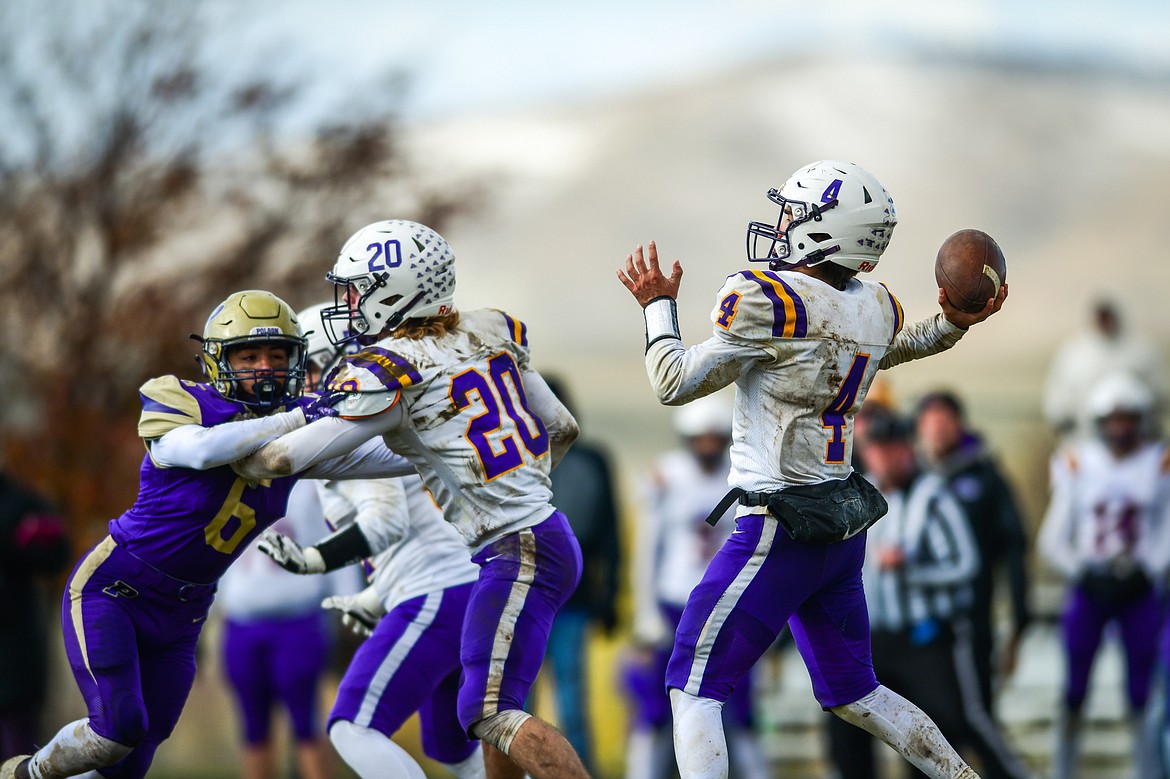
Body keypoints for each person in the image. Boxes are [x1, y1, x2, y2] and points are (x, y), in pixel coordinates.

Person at [616, 159, 1008, 779]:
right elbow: (893, 350)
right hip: (840, 529)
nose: (783, 224)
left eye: (795, 214)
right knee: (857, 694)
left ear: (825, 231)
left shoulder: (767, 300)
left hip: (776, 524)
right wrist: (953, 324)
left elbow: (672, 381)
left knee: (692, 683)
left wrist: (658, 308)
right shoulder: (873, 307)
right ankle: (959, 775)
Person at [0, 290, 411, 779]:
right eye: (250, 355)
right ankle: (25, 773)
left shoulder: (294, 433)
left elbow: (376, 458)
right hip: (116, 588)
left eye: (277, 356)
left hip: (184, 612)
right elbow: (199, 450)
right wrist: (301, 416)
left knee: (133, 758)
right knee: (117, 728)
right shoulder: (181, 397)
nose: (265, 367)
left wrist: (443, 442)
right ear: (219, 360)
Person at [233, 219, 590, 779]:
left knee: (486, 712)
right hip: (532, 538)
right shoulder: (486, 333)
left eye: (356, 289)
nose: (348, 303)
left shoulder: (396, 370)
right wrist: (522, 489)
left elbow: (280, 460)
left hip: (511, 550)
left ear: (393, 289)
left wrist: (218, 452)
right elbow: (562, 427)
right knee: (477, 722)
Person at [257, 302, 486, 779]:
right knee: (452, 746)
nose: (297, 380)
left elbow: (387, 522)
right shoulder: (388, 413)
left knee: (352, 725)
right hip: (460, 588)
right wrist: (375, 594)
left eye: (306, 365)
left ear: (330, 364)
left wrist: (313, 560)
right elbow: (418, 527)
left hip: (438, 594)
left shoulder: (354, 427)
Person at [826, 410, 1033, 779]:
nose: (886, 457)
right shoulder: (856, 492)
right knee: (847, 728)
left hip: (925, 637)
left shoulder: (934, 495)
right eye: (878, 448)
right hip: (871, 639)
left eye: (895, 448)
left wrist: (911, 568)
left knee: (952, 725)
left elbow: (966, 564)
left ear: (909, 449)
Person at [624, 393, 768, 779]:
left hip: (727, 607)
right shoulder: (666, 475)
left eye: (714, 438)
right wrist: (646, 611)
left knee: (740, 706)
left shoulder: (741, 472)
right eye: (700, 439)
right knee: (655, 708)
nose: (707, 447)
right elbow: (647, 549)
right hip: (674, 606)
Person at [1038, 371, 1170, 779]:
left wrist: (1148, 570)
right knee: (1074, 688)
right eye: (1114, 419)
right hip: (1090, 587)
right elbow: (1052, 538)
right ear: (1098, 422)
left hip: (1140, 588)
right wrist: (1083, 571)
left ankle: (1147, 771)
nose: (1121, 428)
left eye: (1128, 418)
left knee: (1141, 692)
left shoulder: (1159, 462)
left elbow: (1167, 529)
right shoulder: (1076, 461)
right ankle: (1063, 770)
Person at [217, 479, 347, 779]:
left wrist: (344, 603)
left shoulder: (310, 482)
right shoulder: (227, 479)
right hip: (241, 620)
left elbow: (334, 539)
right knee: (253, 727)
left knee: (307, 724)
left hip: (298, 617)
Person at [915, 390, 1032, 713]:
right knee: (924, 713)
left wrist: (1019, 611)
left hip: (973, 611)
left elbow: (1014, 544)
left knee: (975, 707)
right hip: (918, 616)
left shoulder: (986, 478)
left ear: (960, 425)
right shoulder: (909, 478)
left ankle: (980, 763)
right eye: (930, 422)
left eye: (944, 421)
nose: (937, 430)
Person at [533, 375, 621, 774]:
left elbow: (608, 532)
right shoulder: (517, 464)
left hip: (567, 598)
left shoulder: (589, 461)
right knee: (522, 706)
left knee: (568, 702)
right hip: (529, 599)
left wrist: (612, 592)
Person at [0, 469, 70, 756]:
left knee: (17, 747)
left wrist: (18, 545)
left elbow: (58, 552)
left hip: (14, 645)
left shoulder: (20, 503)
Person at [1043, 299, 1166, 443]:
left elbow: (1160, 393)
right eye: (1101, 317)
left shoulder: (1141, 351)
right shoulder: (1073, 353)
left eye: (1108, 316)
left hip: (1137, 446)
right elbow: (1057, 403)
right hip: (1086, 441)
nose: (1105, 321)